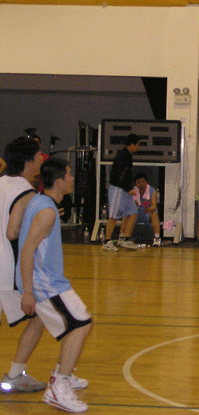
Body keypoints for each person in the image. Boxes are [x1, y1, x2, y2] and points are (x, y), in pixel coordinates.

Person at [16, 158, 91, 412]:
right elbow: (27, 251)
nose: (72, 178)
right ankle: (58, 387)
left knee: (68, 325)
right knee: (81, 324)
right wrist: (28, 292)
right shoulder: (46, 211)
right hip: (44, 283)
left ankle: (62, 374)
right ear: (59, 181)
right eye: (69, 174)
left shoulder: (43, 203)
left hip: (46, 280)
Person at [0, 137, 46, 393]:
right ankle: (16, 374)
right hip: (6, 268)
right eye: (38, 154)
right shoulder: (25, 192)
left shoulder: (1, 183)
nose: (41, 158)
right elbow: (13, 232)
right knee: (39, 317)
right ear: (28, 161)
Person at [104, 134, 140, 251]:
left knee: (133, 212)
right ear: (132, 144)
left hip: (125, 190)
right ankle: (107, 242)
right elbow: (120, 176)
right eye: (137, 144)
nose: (138, 147)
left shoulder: (128, 156)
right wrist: (128, 188)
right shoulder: (122, 156)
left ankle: (125, 239)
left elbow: (127, 175)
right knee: (113, 217)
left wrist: (129, 188)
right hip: (118, 189)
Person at [131, 173, 161, 246]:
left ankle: (157, 238)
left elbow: (154, 206)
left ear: (146, 182)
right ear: (136, 184)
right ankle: (125, 237)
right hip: (136, 213)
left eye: (143, 182)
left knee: (154, 213)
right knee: (128, 215)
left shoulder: (152, 191)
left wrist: (148, 209)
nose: (141, 184)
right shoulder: (133, 191)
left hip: (147, 212)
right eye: (139, 183)